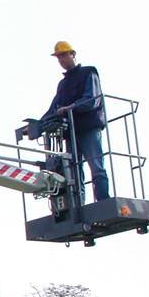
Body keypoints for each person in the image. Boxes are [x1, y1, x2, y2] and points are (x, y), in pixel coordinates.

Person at [41, 41, 110, 203]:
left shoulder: (88, 73)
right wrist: (38, 124)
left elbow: (91, 100)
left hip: (88, 128)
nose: (61, 60)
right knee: (74, 172)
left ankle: (103, 201)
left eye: (64, 55)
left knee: (96, 167)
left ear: (73, 54)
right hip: (71, 132)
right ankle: (79, 205)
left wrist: (70, 107)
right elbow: (54, 108)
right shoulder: (63, 84)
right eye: (59, 57)